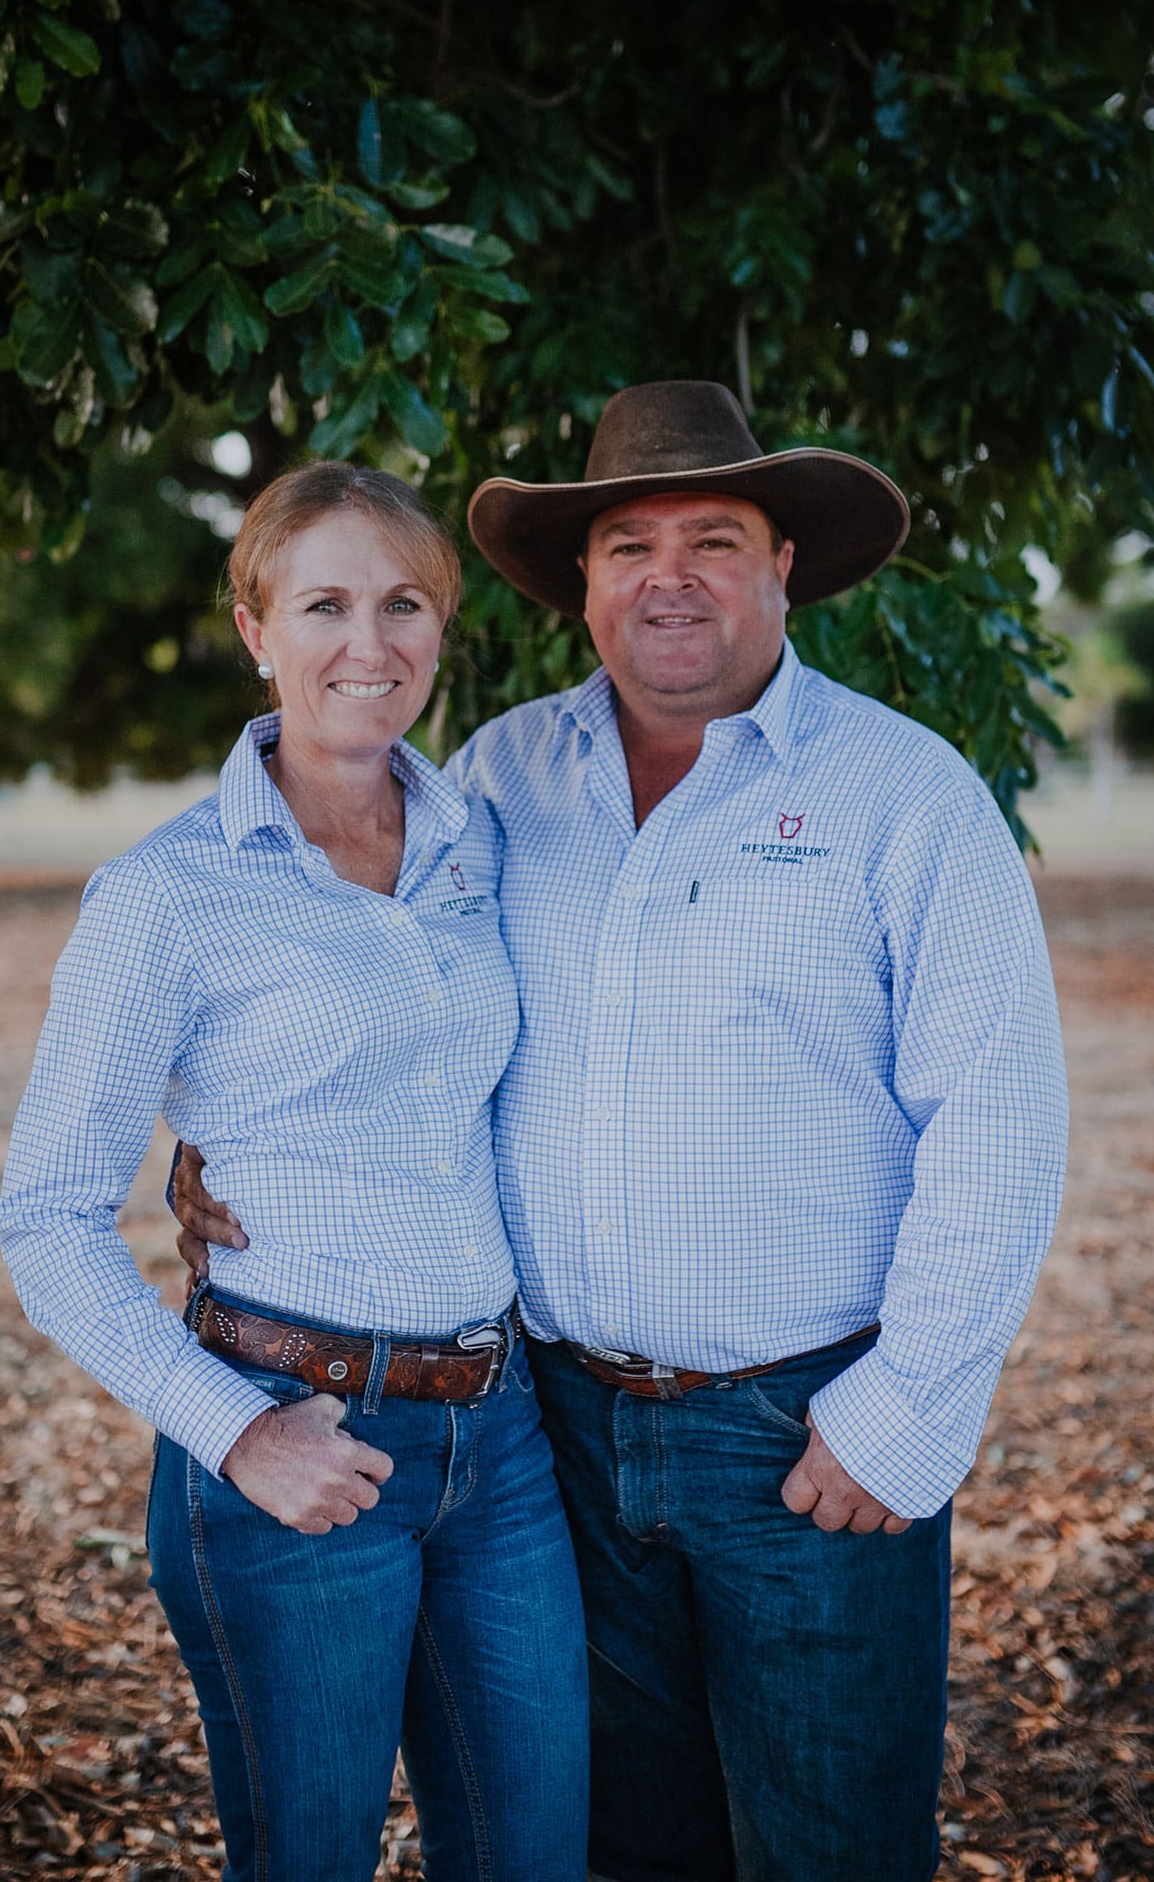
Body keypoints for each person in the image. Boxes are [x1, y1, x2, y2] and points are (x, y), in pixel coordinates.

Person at [174, 381, 1069, 1882]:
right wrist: (221, 1148)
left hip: (806, 1435)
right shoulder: (498, 785)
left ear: (784, 563)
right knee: (629, 1848)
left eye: (714, 538)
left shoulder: (908, 797)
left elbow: (999, 1121)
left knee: (831, 1850)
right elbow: (378, 999)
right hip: (553, 1439)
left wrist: (906, 1405)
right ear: (581, 585)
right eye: (629, 543)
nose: (670, 575)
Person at [0, 461, 589, 1882]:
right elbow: (49, 1217)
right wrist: (237, 1431)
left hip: (500, 1442)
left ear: (443, 630)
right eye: (324, 604)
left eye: (403, 605)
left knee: (535, 1857)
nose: (367, 646)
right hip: (291, 1427)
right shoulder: (168, 896)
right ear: (255, 628)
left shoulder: (484, 845)